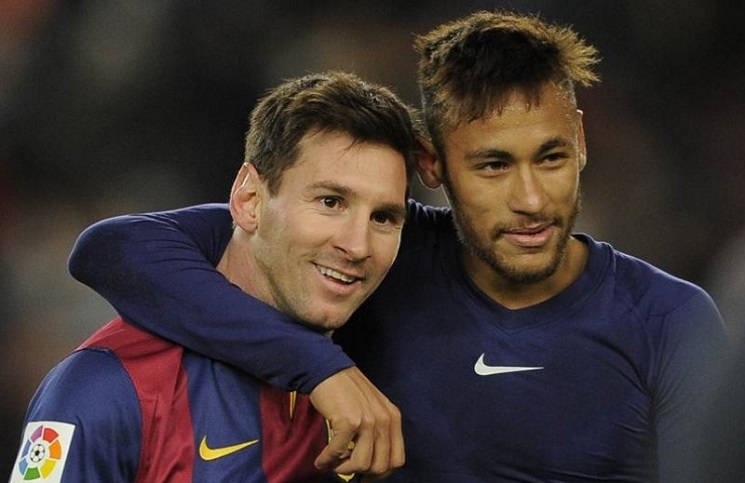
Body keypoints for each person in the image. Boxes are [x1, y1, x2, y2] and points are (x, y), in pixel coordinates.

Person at [65, 11, 726, 482]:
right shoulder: (377, 255)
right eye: (492, 166)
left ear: (580, 139)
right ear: (432, 165)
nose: (530, 199)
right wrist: (321, 369)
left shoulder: (669, 322)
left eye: (550, 157)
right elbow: (116, 249)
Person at [9, 71, 421, 482]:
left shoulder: (389, 369)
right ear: (249, 199)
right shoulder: (107, 387)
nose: (358, 246)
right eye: (330, 202)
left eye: (383, 217)